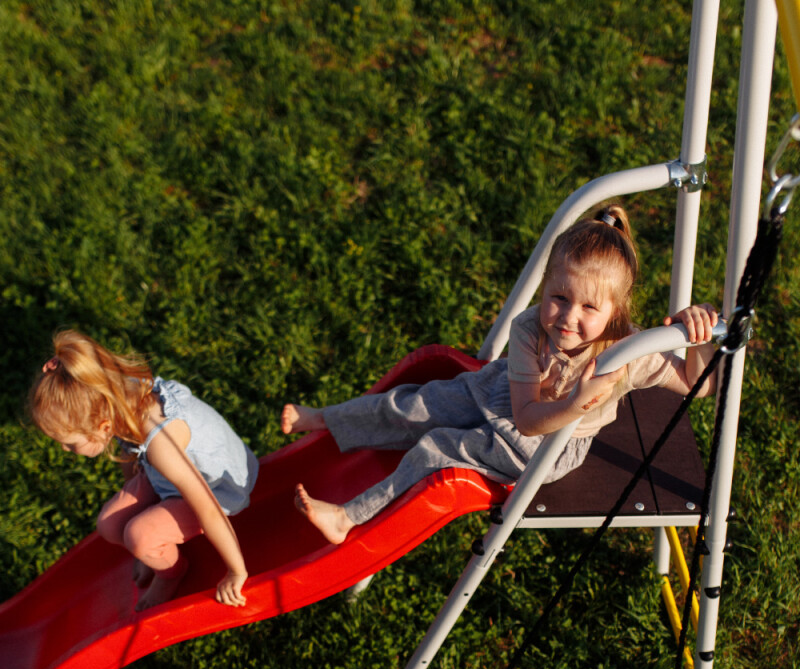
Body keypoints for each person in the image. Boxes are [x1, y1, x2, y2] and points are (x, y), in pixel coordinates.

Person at [282, 204, 719, 545]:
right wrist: (575, 398)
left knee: (437, 448)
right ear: (545, 287)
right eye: (559, 297)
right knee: (416, 403)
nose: (568, 317)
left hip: (548, 443)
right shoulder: (530, 327)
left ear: (616, 312)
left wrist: (699, 339)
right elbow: (524, 410)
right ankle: (327, 419)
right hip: (505, 396)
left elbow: (695, 385)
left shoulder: (627, 349)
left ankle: (347, 517)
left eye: (589, 307)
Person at [29, 330, 259, 611]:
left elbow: (208, 507)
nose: (65, 450)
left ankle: (172, 572)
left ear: (102, 427)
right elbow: (130, 456)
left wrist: (237, 571)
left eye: (69, 443)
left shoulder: (161, 444)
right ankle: (153, 551)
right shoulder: (110, 399)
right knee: (110, 525)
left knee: (139, 536)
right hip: (168, 476)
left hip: (218, 486)